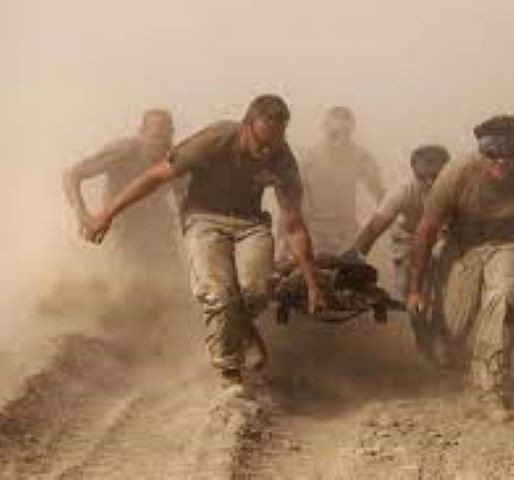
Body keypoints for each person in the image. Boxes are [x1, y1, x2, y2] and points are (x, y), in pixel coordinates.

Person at [82, 95, 325, 396]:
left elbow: (294, 225)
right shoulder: (215, 139)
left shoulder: (283, 160)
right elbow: (155, 177)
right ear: (246, 127)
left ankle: (243, 330)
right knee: (219, 293)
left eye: (273, 143)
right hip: (204, 218)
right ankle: (230, 371)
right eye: (260, 142)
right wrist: (107, 213)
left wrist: (313, 283)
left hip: (251, 224)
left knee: (257, 290)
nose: (265, 151)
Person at [407, 115, 514, 421]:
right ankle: (450, 360)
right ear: (480, 153)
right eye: (492, 155)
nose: (501, 162)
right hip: (463, 247)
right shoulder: (457, 173)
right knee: (451, 332)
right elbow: (426, 230)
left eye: (508, 154)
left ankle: (490, 387)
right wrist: (415, 290)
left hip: (509, 242)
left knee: (501, 297)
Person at [347, 145, 450, 362]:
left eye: (436, 176)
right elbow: (375, 227)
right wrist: (354, 259)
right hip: (408, 241)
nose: (430, 182)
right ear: (414, 173)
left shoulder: (457, 187)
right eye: (423, 177)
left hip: (445, 239)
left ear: (447, 172)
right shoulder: (403, 190)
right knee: (411, 296)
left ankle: (443, 339)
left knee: (447, 293)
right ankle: (423, 340)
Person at [63, 109, 178, 269]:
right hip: (122, 228)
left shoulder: (175, 158)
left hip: (157, 229)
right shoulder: (126, 150)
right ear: (142, 133)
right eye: (155, 138)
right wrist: (82, 214)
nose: (160, 145)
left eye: (165, 139)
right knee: (127, 280)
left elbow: (185, 195)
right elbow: (72, 175)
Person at [297, 106, 385, 256]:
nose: (340, 139)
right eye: (334, 134)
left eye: (345, 133)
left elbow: (379, 193)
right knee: (316, 275)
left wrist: (377, 228)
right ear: (325, 128)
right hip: (314, 230)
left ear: (352, 131)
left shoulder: (360, 156)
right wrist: (288, 237)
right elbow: (293, 198)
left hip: (347, 230)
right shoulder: (309, 157)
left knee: (348, 275)